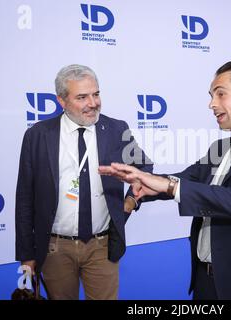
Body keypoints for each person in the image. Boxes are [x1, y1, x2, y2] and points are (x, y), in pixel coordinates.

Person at [99, 61, 231, 300]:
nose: (212, 104)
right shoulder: (220, 147)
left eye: (221, 94)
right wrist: (142, 183)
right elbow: (184, 181)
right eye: (211, 96)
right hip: (206, 282)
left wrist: (168, 185)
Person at [15, 64, 152, 300]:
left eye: (96, 94)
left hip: (102, 245)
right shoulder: (38, 135)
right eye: (82, 97)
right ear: (62, 100)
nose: (93, 103)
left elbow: (144, 167)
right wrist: (27, 255)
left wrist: (130, 202)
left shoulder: (116, 129)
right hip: (54, 248)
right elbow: (25, 197)